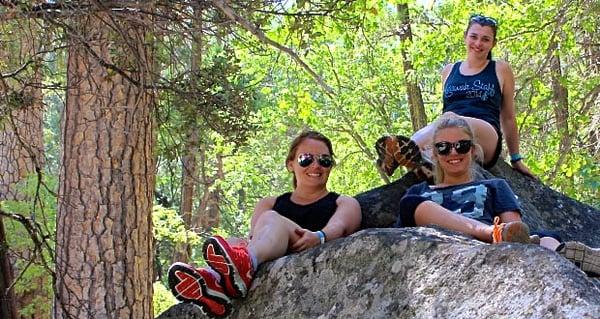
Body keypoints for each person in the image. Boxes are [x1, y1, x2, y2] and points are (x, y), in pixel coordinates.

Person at [167, 130, 362, 318]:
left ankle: (241, 265)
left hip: (311, 251)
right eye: (306, 159)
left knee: (270, 218)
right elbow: (255, 236)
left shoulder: (344, 202)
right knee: (235, 241)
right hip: (273, 252)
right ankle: (213, 286)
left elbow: (341, 226)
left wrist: (319, 237)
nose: (316, 166)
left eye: (324, 160)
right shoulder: (270, 203)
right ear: (290, 164)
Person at [393, 114, 599, 276]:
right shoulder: (420, 192)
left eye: (461, 145)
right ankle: (490, 232)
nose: (453, 153)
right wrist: (493, 232)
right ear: (435, 154)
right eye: (443, 147)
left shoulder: (494, 186)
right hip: (446, 242)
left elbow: (516, 231)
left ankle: (570, 256)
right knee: (411, 203)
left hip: (489, 246)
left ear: (473, 150)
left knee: (546, 237)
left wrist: (512, 237)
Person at [376, 14, 535, 179]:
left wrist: (516, 159)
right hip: (452, 138)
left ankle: (401, 153)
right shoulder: (449, 71)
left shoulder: (500, 69)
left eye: (485, 39)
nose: (478, 43)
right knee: (447, 122)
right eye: (473, 37)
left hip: (486, 134)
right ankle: (424, 163)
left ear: (493, 43)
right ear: (465, 37)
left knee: (451, 118)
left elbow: (508, 117)